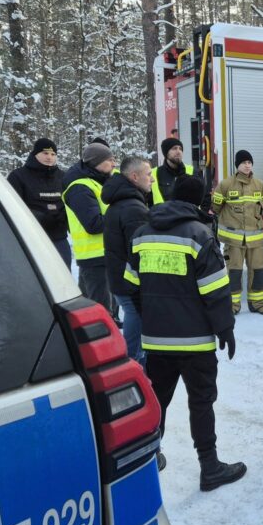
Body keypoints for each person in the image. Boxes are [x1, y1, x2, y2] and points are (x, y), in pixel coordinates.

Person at [125, 175, 247, 491]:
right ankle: (210, 468)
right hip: (195, 343)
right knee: (201, 403)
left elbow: (131, 286)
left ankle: (150, 458)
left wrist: (153, 318)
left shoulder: (141, 235)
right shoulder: (199, 235)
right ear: (198, 201)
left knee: (157, 401)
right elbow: (216, 291)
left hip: (156, 341)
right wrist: (226, 329)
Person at [103, 156, 152, 367]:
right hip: (128, 279)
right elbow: (139, 251)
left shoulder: (123, 202)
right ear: (134, 176)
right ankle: (133, 360)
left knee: (132, 313)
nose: (153, 179)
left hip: (119, 276)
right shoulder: (133, 208)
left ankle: (133, 358)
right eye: (148, 174)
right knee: (135, 314)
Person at [212, 149, 263, 315]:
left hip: (256, 240)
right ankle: (233, 306)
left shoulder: (260, 185)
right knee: (234, 273)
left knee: (258, 271)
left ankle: (257, 304)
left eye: (249, 162)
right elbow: (216, 207)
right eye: (244, 162)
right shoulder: (225, 185)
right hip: (234, 241)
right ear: (237, 165)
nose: (247, 165)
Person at [63, 142, 116, 312]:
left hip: (103, 255)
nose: (113, 164)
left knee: (91, 309)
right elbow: (93, 224)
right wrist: (121, 214)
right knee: (99, 310)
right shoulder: (80, 187)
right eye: (109, 160)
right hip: (94, 259)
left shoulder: (98, 181)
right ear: (96, 162)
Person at [7, 137, 69, 266]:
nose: (49, 157)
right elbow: (12, 206)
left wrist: (65, 215)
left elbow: (71, 203)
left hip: (59, 238)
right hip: (31, 239)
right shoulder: (18, 176)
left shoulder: (63, 177)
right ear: (35, 154)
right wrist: (41, 218)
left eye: (53, 154)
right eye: (45, 153)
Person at [151, 137, 196, 206]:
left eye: (180, 149)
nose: (178, 152)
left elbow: (205, 197)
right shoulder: (154, 173)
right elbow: (148, 200)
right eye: (174, 148)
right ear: (166, 153)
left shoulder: (193, 171)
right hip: (163, 215)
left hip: (189, 215)